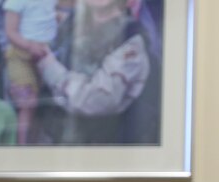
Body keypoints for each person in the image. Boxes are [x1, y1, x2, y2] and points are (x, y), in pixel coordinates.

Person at [36, 0, 151, 144]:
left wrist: (51, 69)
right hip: (59, 142)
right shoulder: (70, 24)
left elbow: (98, 100)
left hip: (104, 150)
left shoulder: (130, 38)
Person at [1, 0, 58, 144]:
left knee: (42, 105)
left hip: (46, 55)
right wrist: (29, 46)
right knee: (28, 103)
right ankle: (22, 148)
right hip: (20, 55)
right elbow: (10, 32)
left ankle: (34, 146)